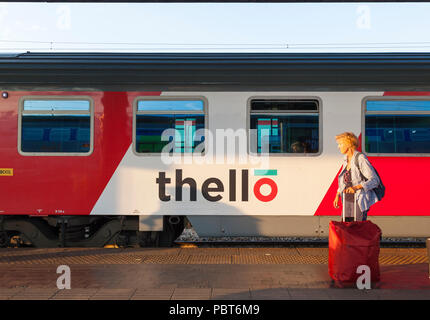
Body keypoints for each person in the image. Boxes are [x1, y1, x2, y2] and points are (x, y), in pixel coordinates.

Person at [333, 132, 380, 222]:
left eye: (340, 144)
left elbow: (374, 180)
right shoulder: (346, 159)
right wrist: (338, 194)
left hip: (359, 199)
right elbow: (346, 180)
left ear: (348, 144)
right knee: (346, 227)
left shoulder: (360, 158)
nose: (338, 147)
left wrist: (356, 187)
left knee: (357, 228)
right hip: (347, 199)